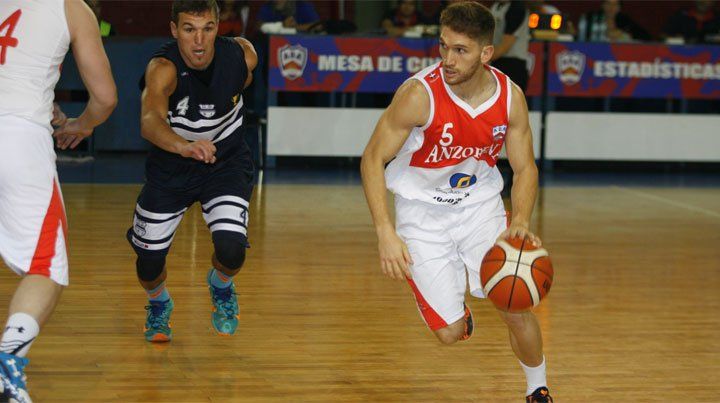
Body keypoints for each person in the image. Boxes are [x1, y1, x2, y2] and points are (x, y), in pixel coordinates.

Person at [361, 2, 552, 402]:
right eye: (444, 46)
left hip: (479, 207)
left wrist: (520, 220)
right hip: (421, 213)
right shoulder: (418, 95)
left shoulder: (510, 98)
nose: (448, 59)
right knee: (449, 334)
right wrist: (385, 232)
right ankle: (458, 315)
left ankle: (538, 388)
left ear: (486, 53)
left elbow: (525, 168)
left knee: (514, 303)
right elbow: (373, 158)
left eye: (460, 50)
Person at [0, 0, 117, 401]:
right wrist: (81, 125)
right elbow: (104, 98)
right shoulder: (72, 7)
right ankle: (8, 367)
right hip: (17, 140)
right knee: (45, 265)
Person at [126, 0, 257, 343]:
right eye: (189, 29)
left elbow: (240, 84)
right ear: (174, 30)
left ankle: (221, 285)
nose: (199, 40)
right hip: (172, 166)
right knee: (148, 262)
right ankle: (159, 303)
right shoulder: (163, 68)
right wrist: (184, 146)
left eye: (207, 29)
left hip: (225, 163)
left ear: (218, 27)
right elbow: (149, 121)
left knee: (232, 250)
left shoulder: (242, 56)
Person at [490, 0, 530, 92]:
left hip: (513, 66)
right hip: (495, 62)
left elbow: (503, 47)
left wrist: (478, 60)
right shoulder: (496, 5)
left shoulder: (517, 8)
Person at [577, 0, 651, 42]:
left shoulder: (625, 20)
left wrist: (623, 35)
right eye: (608, 4)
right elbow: (580, 39)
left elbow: (646, 38)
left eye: (615, 4)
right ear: (603, 5)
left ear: (619, 7)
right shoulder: (590, 18)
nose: (611, 7)